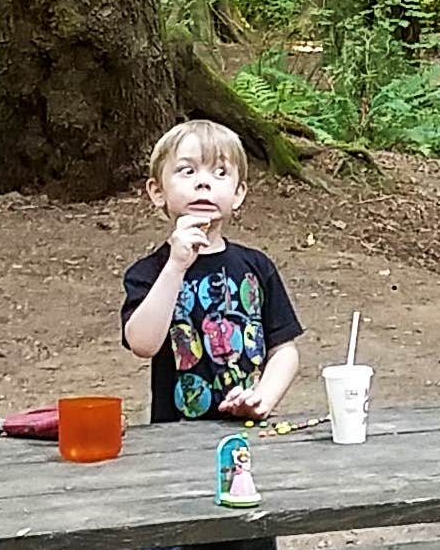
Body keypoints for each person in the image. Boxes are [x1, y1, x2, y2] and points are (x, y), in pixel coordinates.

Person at [120, 117, 304, 425]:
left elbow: (284, 350)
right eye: (187, 171)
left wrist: (263, 399)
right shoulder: (149, 272)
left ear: (238, 193)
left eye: (220, 172)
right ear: (157, 191)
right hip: (176, 437)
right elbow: (142, 343)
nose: (204, 182)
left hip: (249, 428)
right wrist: (176, 265)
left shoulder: (256, 267)